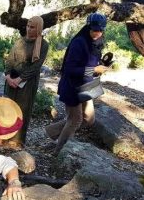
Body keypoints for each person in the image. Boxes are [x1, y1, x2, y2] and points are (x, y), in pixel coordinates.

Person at [45, 13, 109, 153]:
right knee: (75, 120)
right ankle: (60, 151)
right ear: (88, 27)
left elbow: (90, 64)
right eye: (95, 30)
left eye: (100, 30)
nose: (98, 33)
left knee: (89, 119)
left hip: (87, 87)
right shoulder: (79, 42)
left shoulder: (97, 42)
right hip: (72, 87)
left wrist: (100, 67)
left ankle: (51, 131)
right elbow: (70, 70)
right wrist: (93, 70)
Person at [4, 16, 49, 148]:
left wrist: (20, 79)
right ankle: (5, 136)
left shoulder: (43, 45)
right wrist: (8, 77)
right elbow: (10, 60)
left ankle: (17, 141)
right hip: (11, 80)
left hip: (27, 83)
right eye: (28, 26)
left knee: (22, 110)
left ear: (39, 28)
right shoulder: (20, 42)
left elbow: (36, 66)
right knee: (9, 107)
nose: (29, 29)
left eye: (32, 27)